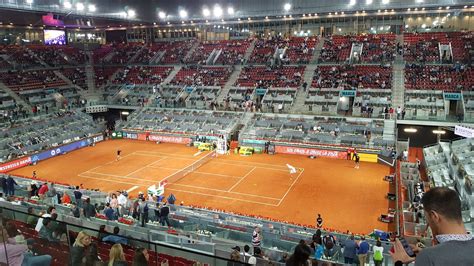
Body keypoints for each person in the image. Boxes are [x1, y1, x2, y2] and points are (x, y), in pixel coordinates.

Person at [390, 187, 474, 266]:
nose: (428, 225)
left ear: (434, 217)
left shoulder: (429, 258)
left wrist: (399, 262)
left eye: (428, 220)